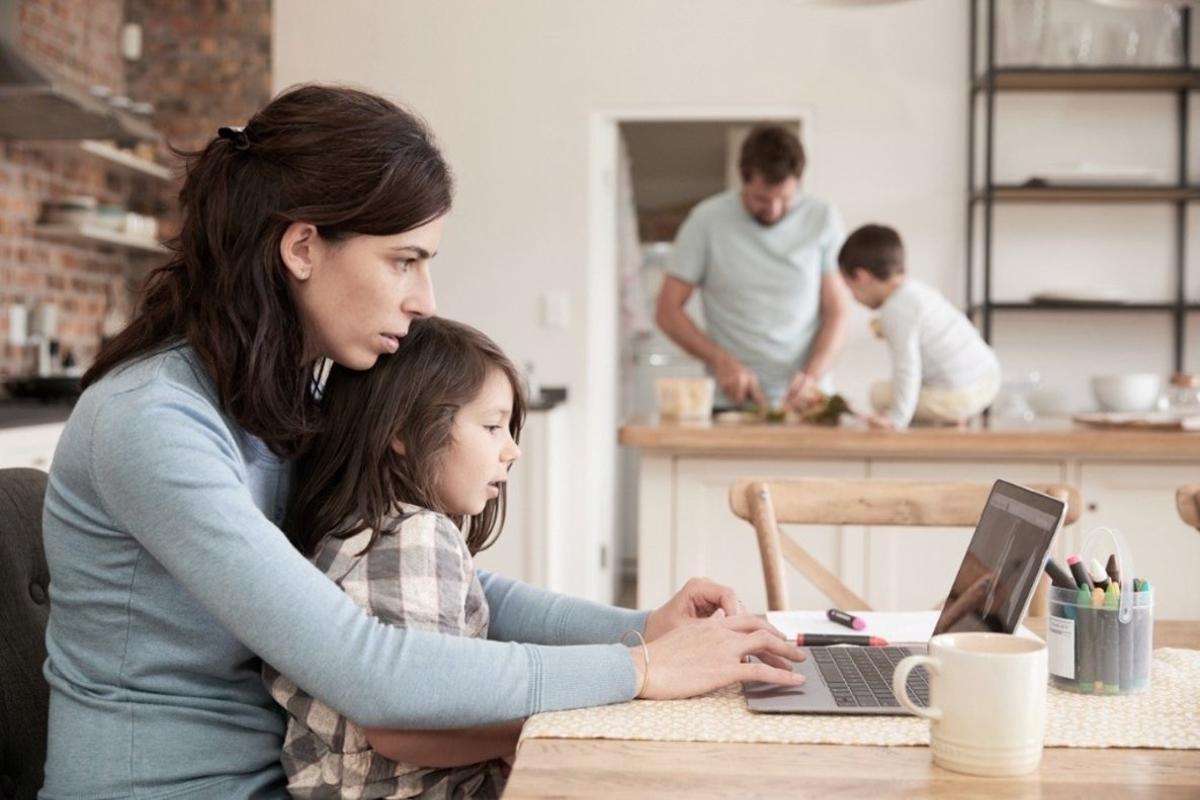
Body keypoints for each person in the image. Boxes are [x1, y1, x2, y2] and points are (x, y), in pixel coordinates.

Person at [39, 84, 805, 799]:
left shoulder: (288, 396)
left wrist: (642, 628)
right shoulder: (154, 424)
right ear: (302, 248)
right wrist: (640, 668)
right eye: (404, 260)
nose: (424, 300)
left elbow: (445, 581)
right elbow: (368, 668)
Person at [265, 317, 527, 798]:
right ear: (404, 431)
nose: (511, 449)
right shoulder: (415, 535)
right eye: (492, 426)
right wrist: (536, 729)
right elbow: (407, 726)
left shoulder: (350, 528)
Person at [655, 124, 849, 411]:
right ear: (743, 180)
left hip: (807, 402)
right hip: (730, 401)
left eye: (784, 199)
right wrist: (720, 360)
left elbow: (837, 309)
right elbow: (667, 311)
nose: (773, 210)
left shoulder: (822, 218)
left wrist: (812, 374)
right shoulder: (706, 221)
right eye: (760, 199)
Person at [837, 224, 1001, 430]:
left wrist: (896, 419)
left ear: (861, 276)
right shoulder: (918, 292)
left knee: (879, 394)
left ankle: (947, 416)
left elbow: (907, 368)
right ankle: (951, 416)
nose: (853, 297)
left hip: (959, 396)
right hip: (988, 380)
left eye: (849, 287)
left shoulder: (895, 310)